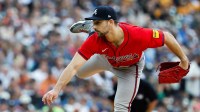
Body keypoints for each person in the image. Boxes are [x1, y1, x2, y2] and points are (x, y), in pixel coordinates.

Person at [42, 6, 189, 112]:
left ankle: (90, 29)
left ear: (111, 22)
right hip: (106, 59)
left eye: (98, 22)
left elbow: (167, 37)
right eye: (94, 23)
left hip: (130, 68)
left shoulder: (137, 35)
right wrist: (56, 89)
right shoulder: (96, 40)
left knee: (120, 107)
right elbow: (73, 66)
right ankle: (90, 30)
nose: (97, 24)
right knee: (79, 72)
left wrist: (183, 60)